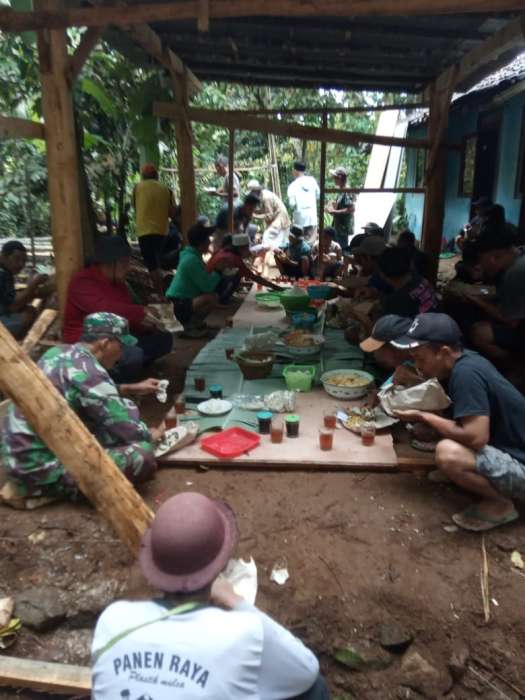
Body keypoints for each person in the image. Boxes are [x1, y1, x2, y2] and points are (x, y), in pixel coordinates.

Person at [91, 491, 329, 700]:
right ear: (220, 565)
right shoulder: (242, 633)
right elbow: (307, 670)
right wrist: (233, 599)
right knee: (314, 690)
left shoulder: (113, 619)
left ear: (155, 563)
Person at [1, 313, 163, 501]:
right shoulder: (90, 372)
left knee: (104, 430)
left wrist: (127, 388)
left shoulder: (59, 352)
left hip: (19, 455)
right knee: (142, 455)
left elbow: (81, 392)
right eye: (121, 346)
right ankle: (48, 489)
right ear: (105, 343)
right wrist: (151, 435)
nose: (122, 354)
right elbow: (127, 429)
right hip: (38, 470)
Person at [392, 313, 525, 532]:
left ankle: (500, 504)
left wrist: (423, 416)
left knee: (448, 453)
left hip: (520, 463)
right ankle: (470, 475)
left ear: (444, 352)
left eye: (421, 359)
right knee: (434, 430)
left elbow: (476, 436)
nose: (418, 365)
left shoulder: (466, 374)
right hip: (508, 447)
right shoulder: (465, 360)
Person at [63, 236, 173, 382]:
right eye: (125, 263)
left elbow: (126, 315)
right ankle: (113, 380)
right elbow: (105, 310)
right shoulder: (82, 281)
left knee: (164, 338)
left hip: (117, 337)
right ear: (111, 263)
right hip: (90, 341)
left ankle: (128, 368)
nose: (128, 267)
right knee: (133, 355)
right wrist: (142, 312)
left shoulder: (118, 283)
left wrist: (147, 325)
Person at [463, 227, 525, 367]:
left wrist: (476, 300)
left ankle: (516, 367)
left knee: (478, 332)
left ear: (492, 258)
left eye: (481, 261)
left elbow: (511, 321)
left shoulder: (515, 273)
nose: (482, 267)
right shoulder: (521, 252)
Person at [166, 221, 231, 337]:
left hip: (179, 302)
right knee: (210, 298)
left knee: (212, 296)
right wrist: (218, 270)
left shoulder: (192, 256)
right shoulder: (191, 260)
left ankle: (194, 323)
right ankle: (188, 327)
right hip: (176, 305)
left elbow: (205, 280)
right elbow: (208, 286)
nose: (210, 242)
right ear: (201, 244)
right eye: (208, 239)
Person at [132, 163, 176, 294]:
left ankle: (160, 292)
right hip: (161, 231)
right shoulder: (166, 190)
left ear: (143, 176)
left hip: (144, 231)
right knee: (158, 261)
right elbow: (172, 212)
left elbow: (135, 207)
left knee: (151, 264)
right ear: (156, 176)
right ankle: (163, 290)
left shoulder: (137, 188)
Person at [207, 233, 282, 303]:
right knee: (237, 275)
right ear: (241, 248)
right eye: (247, 247)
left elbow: (250, 274)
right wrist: (274, 286)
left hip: (209, 283)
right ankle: (222, 300)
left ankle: (222, 298)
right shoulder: (233, 258)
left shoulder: (223, 251)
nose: (248, 250)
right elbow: (254, 277)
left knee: (237, 274)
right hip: (211, 288)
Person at [0, 240, 49, 339]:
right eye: (16, 259)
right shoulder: (2, 274)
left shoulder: (6, 272)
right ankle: (11, 343)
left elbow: (9, 299)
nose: (21, 264)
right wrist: (34, 284)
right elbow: (13, 306)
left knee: (30, 310)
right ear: (3, 256)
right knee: (28, 315)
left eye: (24, 261)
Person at [376, 246, 438, 318]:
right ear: (411, 264)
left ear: (382, 274)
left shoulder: (395, 301)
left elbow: (384, 324)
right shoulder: (419, 279)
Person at [247, 179, 291, 250]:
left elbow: (269, 216)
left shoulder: (266, 197)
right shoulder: (262, 195)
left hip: (280, 219)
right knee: (276, 242)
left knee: (267, 237)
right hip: (278, 219)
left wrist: (254, 216)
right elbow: (265, 210)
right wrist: (253, 211)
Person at [287, 162, 320, 244]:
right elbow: (318, 195)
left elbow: (292, 204)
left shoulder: (292, 186)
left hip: (300, 220)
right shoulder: (312, 181)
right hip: (312, 217)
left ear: (294, 171)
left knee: (299, 243)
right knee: (310, 243)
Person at [325, 167, 355, 249]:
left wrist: (334, 211)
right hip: (338, 226)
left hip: (343, 227)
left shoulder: (347, 190)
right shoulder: (341, 190)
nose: (333, 179)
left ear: (340, 178)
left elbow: (351, 209)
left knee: (342, 248)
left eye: (335, 177)